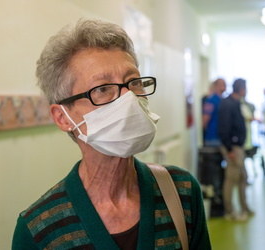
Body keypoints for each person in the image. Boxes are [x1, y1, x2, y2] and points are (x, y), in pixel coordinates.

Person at [12, 19, 211, 250]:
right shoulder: (38, 230)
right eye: (103, 88)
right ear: (63, 117)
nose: (130, 99)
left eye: (134, 82)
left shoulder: (181, 192)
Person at [218, 78, 253, 221]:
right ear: (241, 88)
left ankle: (244, 207)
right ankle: (230, 211)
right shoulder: (228, 104)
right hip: (232, 148)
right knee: (231, 179)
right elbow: (224, 128)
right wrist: (229, 149)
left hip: (239, 147)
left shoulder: (237, 103)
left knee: (243, 177)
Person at [202, 78, 226, 147]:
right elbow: (205, 120)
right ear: (215, 86)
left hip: (222, 137)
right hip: (213, 138)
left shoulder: (223, 100)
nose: (224, 86)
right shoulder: (211, 100)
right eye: (221, 84)